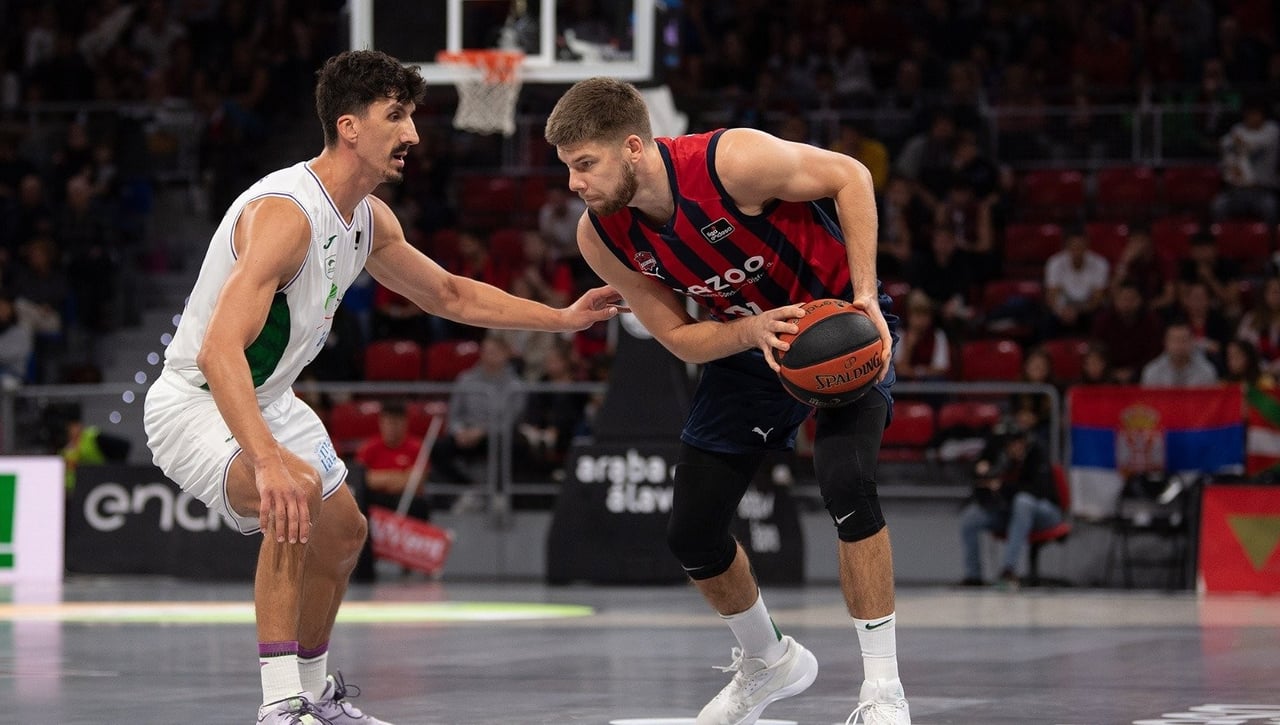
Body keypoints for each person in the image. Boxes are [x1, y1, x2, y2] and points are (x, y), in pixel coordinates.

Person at [143, 50, 621, 725]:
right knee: (296, 489)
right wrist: (269, 459)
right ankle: (279, 705)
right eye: (395, 116)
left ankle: (313, 698)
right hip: (196, 399)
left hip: (268, 396)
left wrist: (563, 318)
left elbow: (450, 294)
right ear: (349, 127)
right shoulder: (286, 214)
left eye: (412, 116)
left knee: (342, 534)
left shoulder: (368, 219)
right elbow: (221, 352)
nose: (412, 134)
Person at [546, 78, 910, 725]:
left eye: (584, 165)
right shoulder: (600, 236)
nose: (574, 183)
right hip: (748, 346)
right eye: (568, 168)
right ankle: (769, 660)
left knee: (848, 481)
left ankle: (882, 689)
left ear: (632, 147)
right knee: (691, 530)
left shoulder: (730, 162)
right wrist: (750, 331)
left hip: (836, 326)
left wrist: (862, 295)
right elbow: (681, 338)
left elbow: (851, 177)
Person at [957, 422, 1062, 588]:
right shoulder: (1002, 458)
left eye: (1016, 443)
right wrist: (982, 475)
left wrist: (1003, 487)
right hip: (1010, 513)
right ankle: (973, 577)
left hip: (1045, 513)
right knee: (971, 516)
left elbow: (1039, 490)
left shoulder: (1037, 453)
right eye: (1009, 445)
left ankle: (1008, 570)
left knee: (1023, 502)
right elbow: (979, 482)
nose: (1013, 448)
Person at [1140, 320, 1220, 387]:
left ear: (1192, 342)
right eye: (1175, 340)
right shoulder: (1152, 372)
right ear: (1165, 343)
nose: (1179, 345)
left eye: (1184, 340)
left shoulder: (1206, 371)